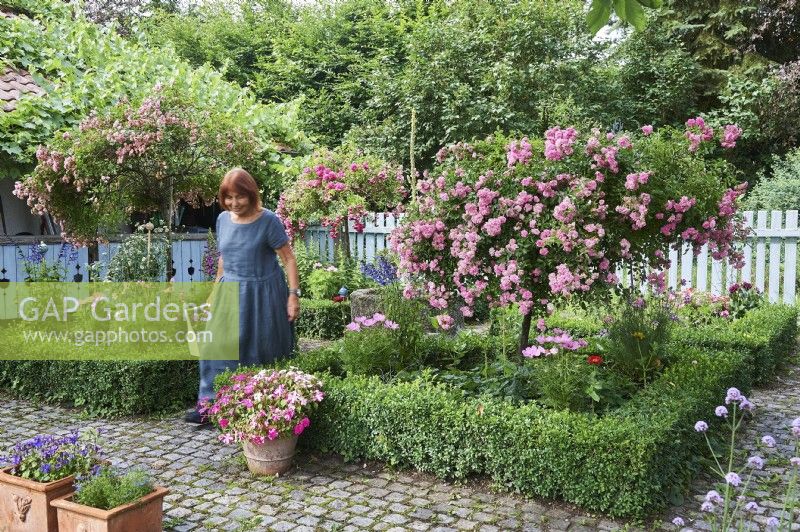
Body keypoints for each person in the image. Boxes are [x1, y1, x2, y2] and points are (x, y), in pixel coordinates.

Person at [185, 168, 301, 425]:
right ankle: (209, 405)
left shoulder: (268, 220)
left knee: (261, 348)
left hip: (263, 292)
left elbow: (289, 259)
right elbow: (223, 260)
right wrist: (212, 296)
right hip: (230, 290)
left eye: (240, 197)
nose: (234, 203)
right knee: (214, 346)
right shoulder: (223, 220)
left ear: (251, 194)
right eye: (228, 197)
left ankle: (263, 406)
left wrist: (293, 296)